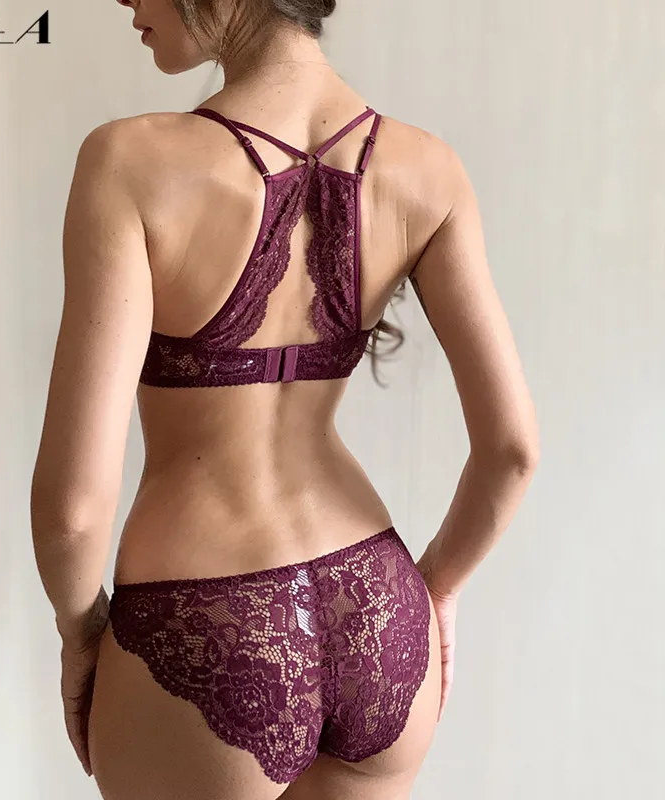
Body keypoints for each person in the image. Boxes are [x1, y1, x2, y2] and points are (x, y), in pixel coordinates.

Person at [29, 1, 539, 798]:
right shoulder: (429, 170)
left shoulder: (127, 162)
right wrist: (438, 589)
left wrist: (77, 629)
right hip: (378, 609)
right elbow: (513, 451)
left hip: (199, 611)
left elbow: (73, 510)